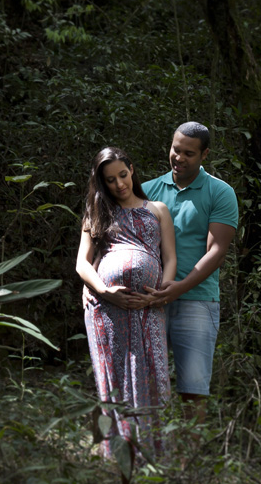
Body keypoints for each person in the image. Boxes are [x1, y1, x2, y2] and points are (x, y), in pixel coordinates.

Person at [76, 146, 177, 461]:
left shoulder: (158, 209)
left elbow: (170, 258)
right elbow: (83, 263)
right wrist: (104, 291)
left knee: (152, 372)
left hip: (149, 305)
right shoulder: (97, 213)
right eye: (110, 180)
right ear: (102, 183)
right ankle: (118, 455)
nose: (119, 184)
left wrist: (158, 293)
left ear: (132, 169)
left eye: (123, 175)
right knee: (113, 374)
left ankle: (156, 454)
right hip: (106, 308)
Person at [142, 122, 238, 422]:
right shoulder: (147, 191)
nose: (179, 158)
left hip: (197, 300)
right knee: (144, 383)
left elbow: (217, 251)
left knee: (193, 388)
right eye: (175, 149)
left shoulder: (220, 192)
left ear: (204, 155)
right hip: (150, 299)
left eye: (188, 153)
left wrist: (180, 287)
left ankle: (188, 460)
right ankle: (147, 451)